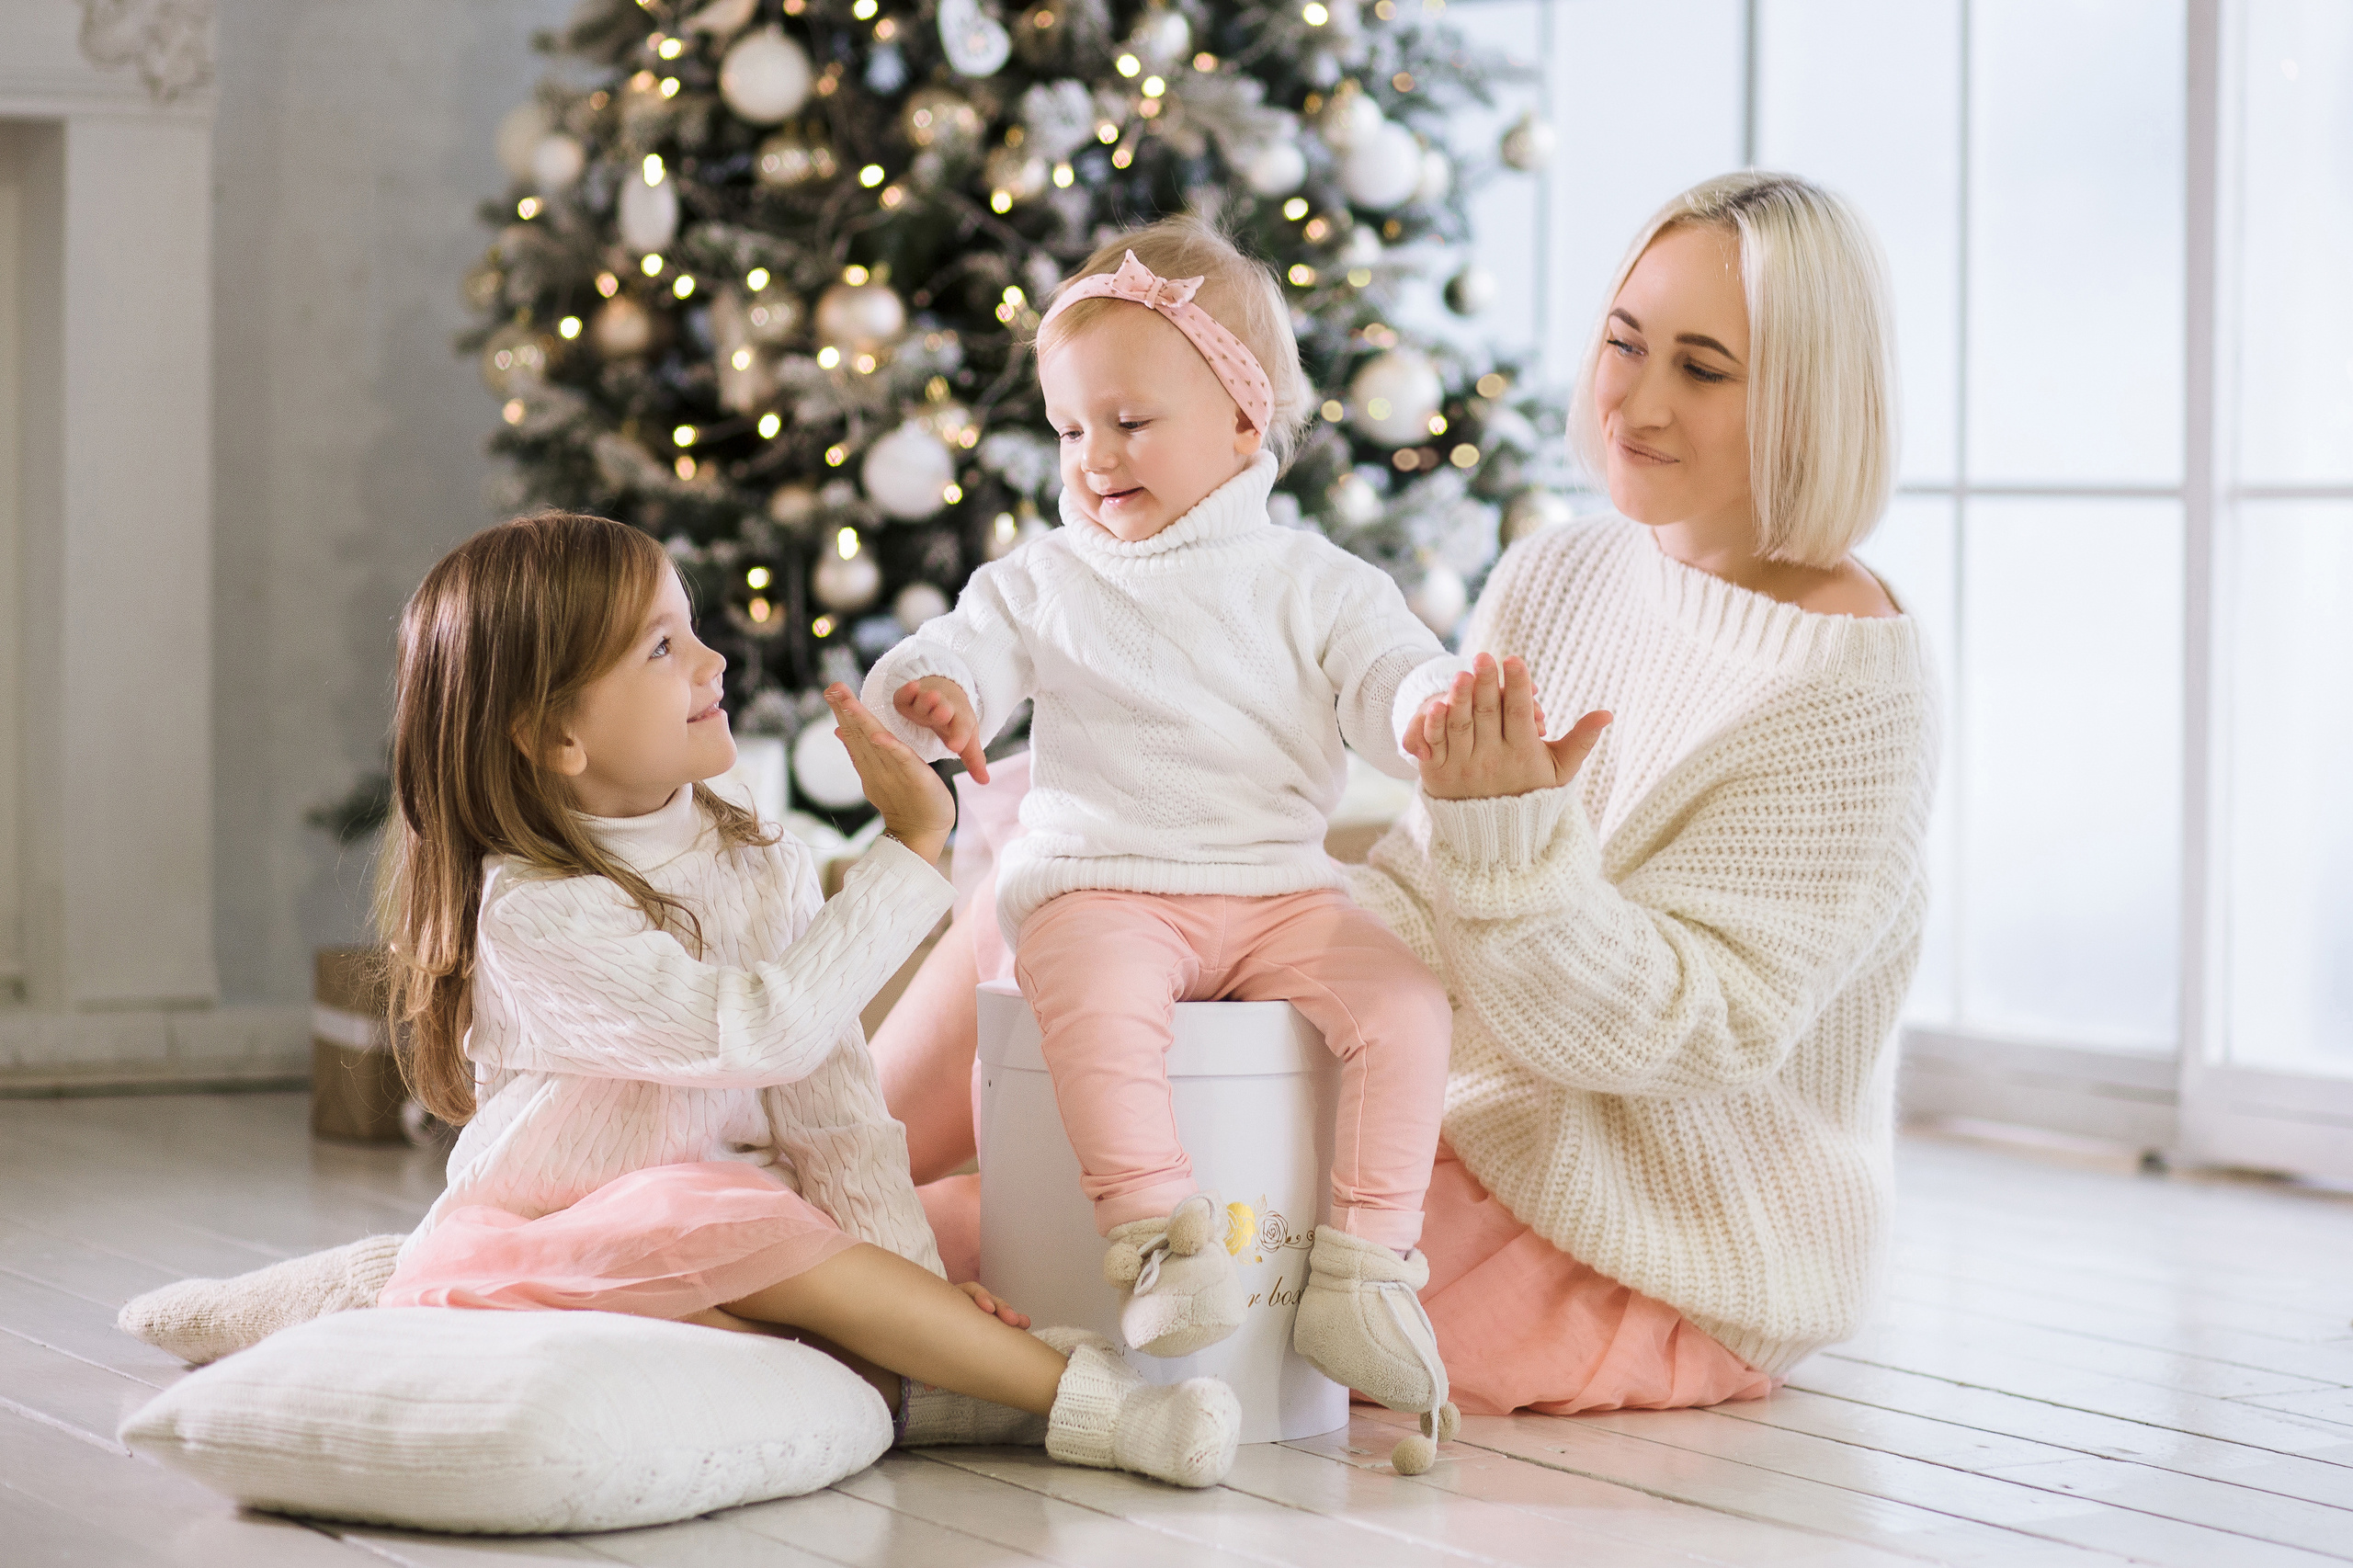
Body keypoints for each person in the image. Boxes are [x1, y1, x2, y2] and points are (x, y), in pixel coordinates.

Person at [883, 168, 1938, 1417]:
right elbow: (1430, 888)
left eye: (1704, 369)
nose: (1639, 402)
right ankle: (822, 1167)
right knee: (1056, 915)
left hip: (1641, 1239)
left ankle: (800, 1239)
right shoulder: (1565, 572)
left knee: (989, 1248)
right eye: (1623, 343)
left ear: (1810, 400)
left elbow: (1690, 1039)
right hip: (1453, 1116)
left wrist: (1505, 847)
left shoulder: (1848, 689)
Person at [125, 514, 1242, 1489]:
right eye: (663, 647)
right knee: (745, 1243)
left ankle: (915, 1376)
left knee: (928, 1236)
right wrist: (913, 850)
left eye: (692, 624)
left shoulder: (745, 847)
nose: (712, 658)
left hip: (733, 1208)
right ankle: (1097, 1406)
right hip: (574, 1219)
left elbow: (829, 1096)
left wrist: (905, 1286)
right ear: (555, 734)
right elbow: (753, 1027)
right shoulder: (535, 910)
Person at [860, 218, 1462, 1450]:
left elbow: (1389, 676)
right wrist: (936, 691)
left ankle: (1362, 1266)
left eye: (1130, 424)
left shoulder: (1311, 579)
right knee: (1088, 1002)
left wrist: (1430, 706)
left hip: (1279, 891)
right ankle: (1158, 1235)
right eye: (1074, 430)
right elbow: (960, 646)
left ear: (1246, 425)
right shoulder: (1049, 577)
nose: (1094, 459)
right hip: (1106, 882)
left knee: (1402, 1005)